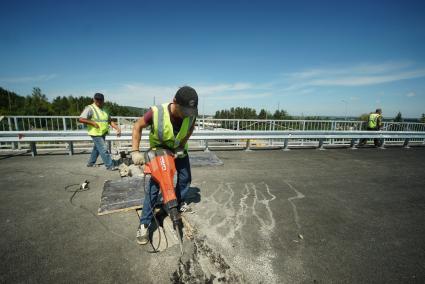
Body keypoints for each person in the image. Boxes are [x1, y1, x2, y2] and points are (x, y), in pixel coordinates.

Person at [131, 86, 198, 245]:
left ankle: (176, 203)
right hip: (159, 150)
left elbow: (190, 129)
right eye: (184, 111)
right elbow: (137, 126)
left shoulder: (191, 113)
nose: (187, 115)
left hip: (179, 149)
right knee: (155, 186)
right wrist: (135, 151)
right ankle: (145, 223)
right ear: (175, 102)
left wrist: (181, 144)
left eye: (190, 112)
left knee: (185, 178)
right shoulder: (156, 112)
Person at [78, 93, 121, 170]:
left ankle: (90, 163)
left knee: (97, 148)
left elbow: (109, 121)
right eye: (97, 99)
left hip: (103, 132)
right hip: (95, 133)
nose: (99, 101)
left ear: (103, 100)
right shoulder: (90, 108)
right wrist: (93, 123)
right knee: (103, 149)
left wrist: (117, 128)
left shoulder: (105, 109)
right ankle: (110, 166)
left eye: (100, 99)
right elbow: (81, 119)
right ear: (94, 99)